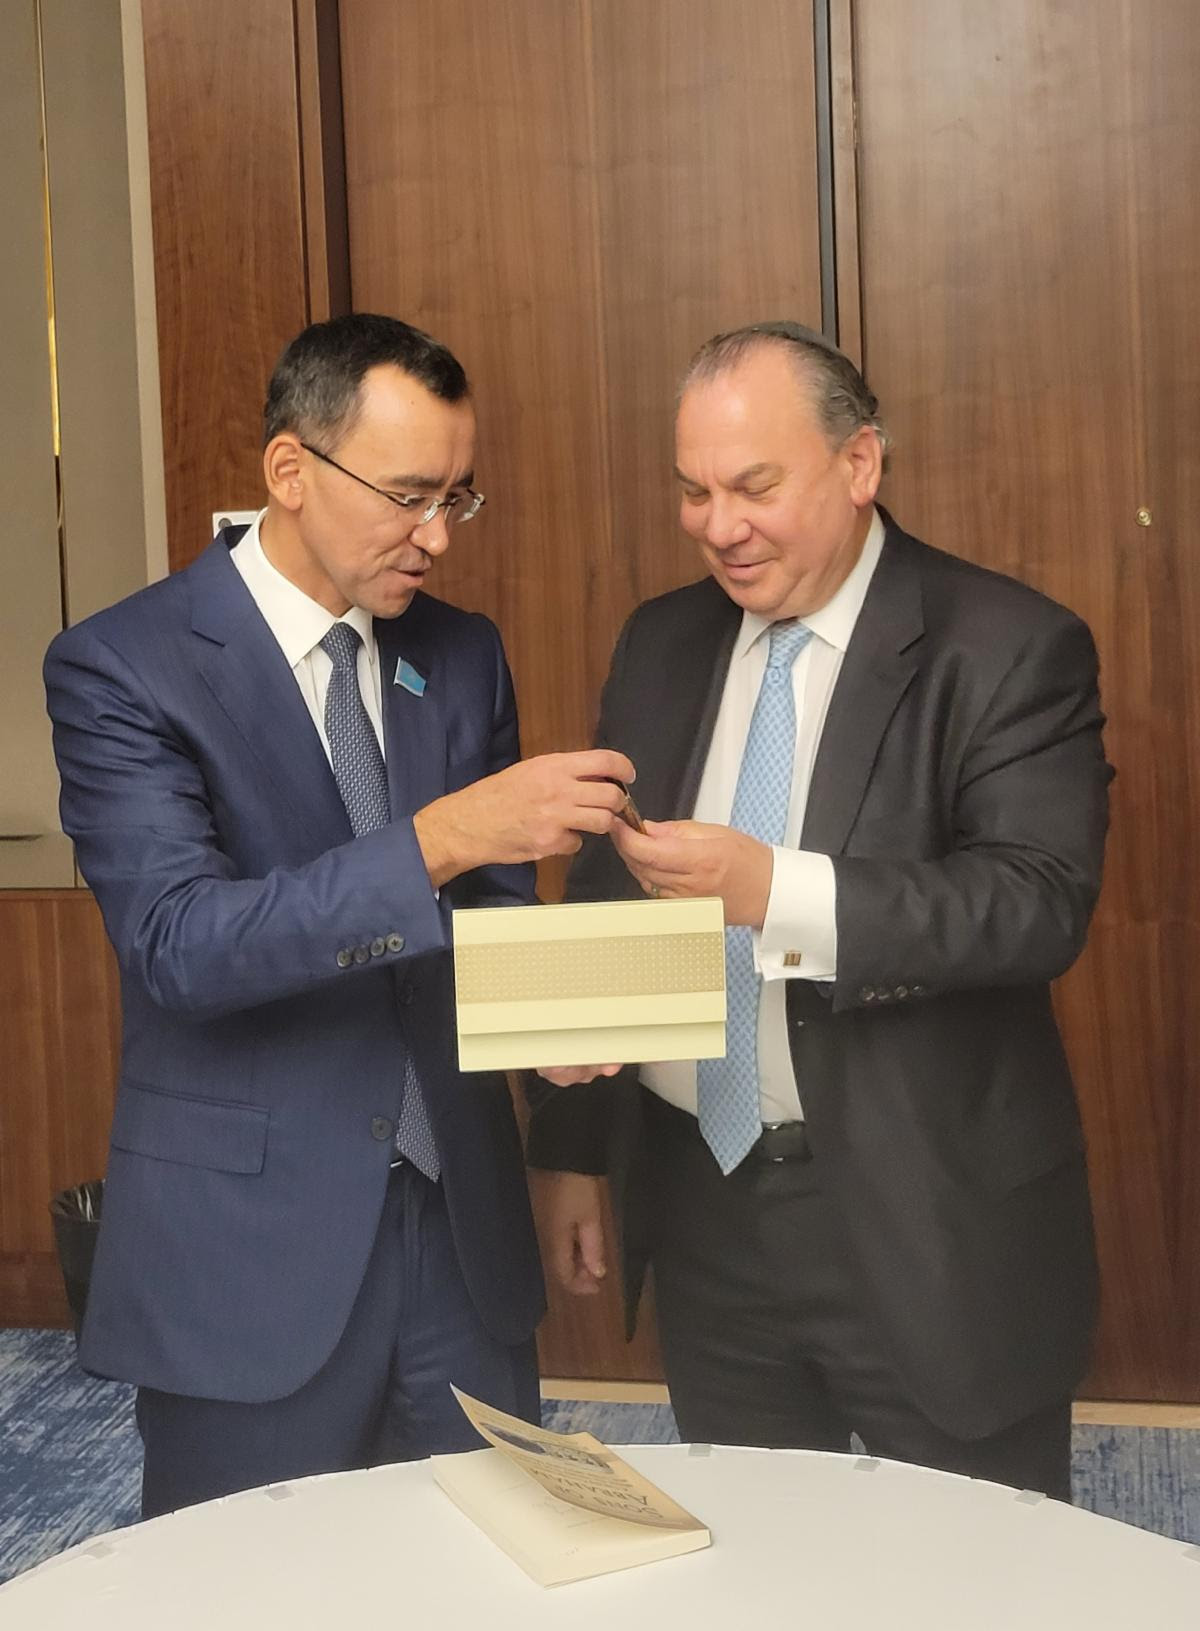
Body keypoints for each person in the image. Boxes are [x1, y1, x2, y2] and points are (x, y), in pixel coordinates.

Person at [44, 313, 633, 1516]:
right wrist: (442, 836)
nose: (437, 536)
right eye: (409, 496)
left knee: (491, 1567)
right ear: (290, 468)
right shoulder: (124, 665)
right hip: (249, 1251)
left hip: (459, 1236)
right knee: (257, 1583)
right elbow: (182, 945)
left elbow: (486, 924)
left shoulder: (459, 653)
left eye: (457, 499)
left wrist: (550, 1029)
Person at [527, 321, 1110, 1500]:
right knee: (760, 1550)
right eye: (693, 491)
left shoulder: (1006, 644)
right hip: (705, 1206)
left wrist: (774, 891)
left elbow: (1033, 902)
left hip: (926, 1213)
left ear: (859, 464)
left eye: (754, 487)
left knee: (974, 1564)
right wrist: (574, 1148)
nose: (718, 526)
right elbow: (610, 885)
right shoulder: (663, 639)